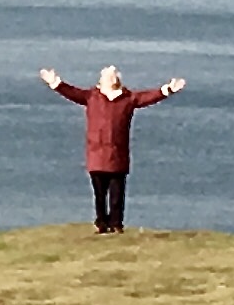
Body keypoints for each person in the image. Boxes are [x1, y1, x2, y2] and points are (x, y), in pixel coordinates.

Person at [38, 61, 186, 233]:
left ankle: (116, 223)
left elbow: (148, 97)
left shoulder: (128, 98)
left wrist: (168, 89)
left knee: (117, 194)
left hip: (117, 155)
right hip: (96, 154)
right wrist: (55, 83)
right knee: (99, 194)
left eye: (112, 76)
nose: (110, 79)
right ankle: (102, 223)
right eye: (107, 77)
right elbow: (72, 92)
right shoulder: (92, 96)